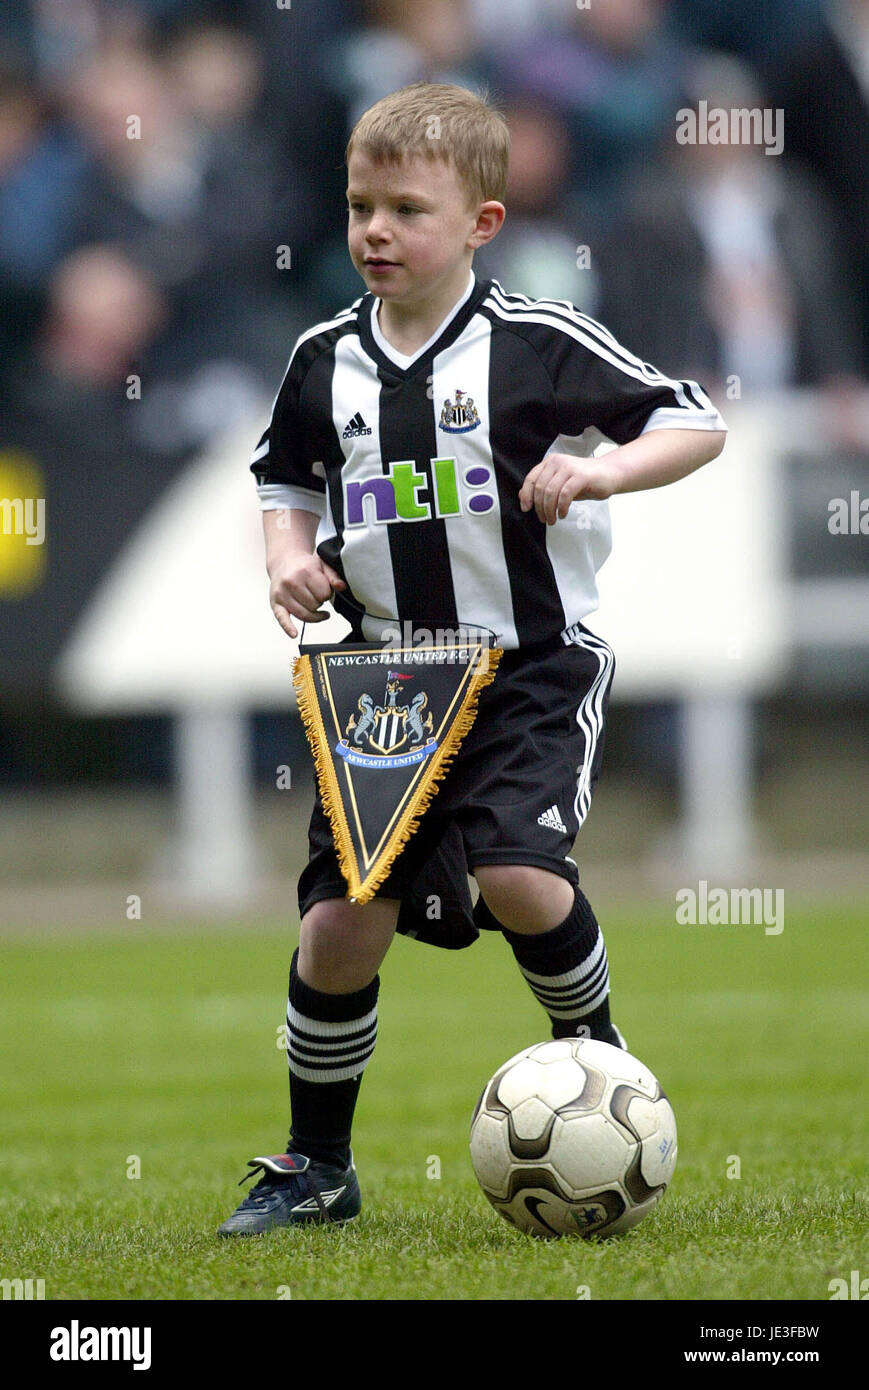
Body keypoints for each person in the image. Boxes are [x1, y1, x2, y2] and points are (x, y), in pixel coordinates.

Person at [218, 82, 726, 1236]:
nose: (374, 232)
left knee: (518, 875)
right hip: (382, 679)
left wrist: (600, 470)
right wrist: (285, 561)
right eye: (358, 207)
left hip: (528, 664)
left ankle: (595, 1064)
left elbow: (694, 418)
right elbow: (281, 481)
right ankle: (316, 1165)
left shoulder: (534, 343)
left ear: (481, 224)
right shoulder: (321, 359)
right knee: (342, 919)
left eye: (406, 207)